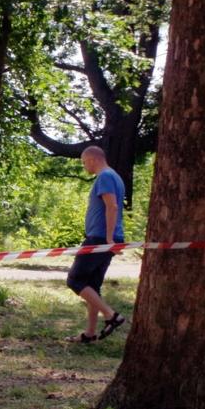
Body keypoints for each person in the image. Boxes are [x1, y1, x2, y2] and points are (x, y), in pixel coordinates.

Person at [65, 145, 127, 343]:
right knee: (92, 285)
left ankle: (111, 316)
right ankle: (90, 334)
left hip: (100, 239)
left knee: (75, 280)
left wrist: (108, 238)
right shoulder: (114, 176)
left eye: (84, 162)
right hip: (104, 239)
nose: (84, 166)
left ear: (93, 159)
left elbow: (112, 206)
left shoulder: (105, 176)